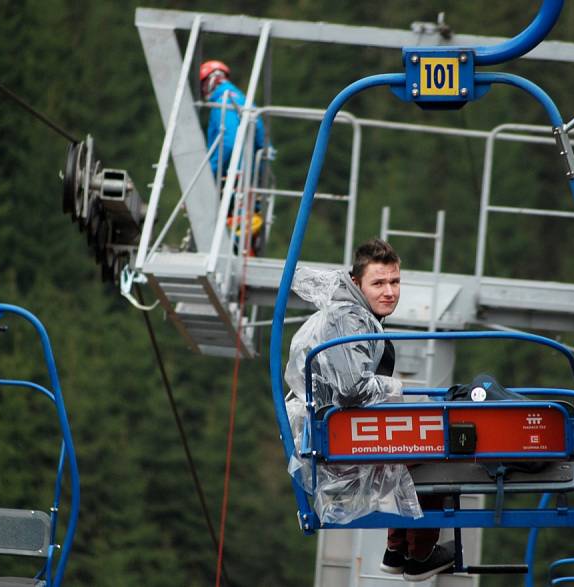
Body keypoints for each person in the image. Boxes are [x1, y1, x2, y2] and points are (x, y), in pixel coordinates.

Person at [284, 238, 455, 582]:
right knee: (442, 448)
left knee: (419, 442)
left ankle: (398, 549)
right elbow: (351, 389)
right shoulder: (348, 319)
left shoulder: (356, 315)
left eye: (394, 282)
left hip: (337, 433)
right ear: (357, 283)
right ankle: (419, 552)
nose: (389, 291)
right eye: (378, 283)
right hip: (339, 439)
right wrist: (396, 387)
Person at [200, 60, 266, 255]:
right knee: (245, 234)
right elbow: (263, 145)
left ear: (208, 82)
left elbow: (227, 143)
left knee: (222, 236)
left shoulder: (222, 103)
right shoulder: (246, 102)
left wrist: (208, 174)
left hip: (229, 180)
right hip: (246, 182)